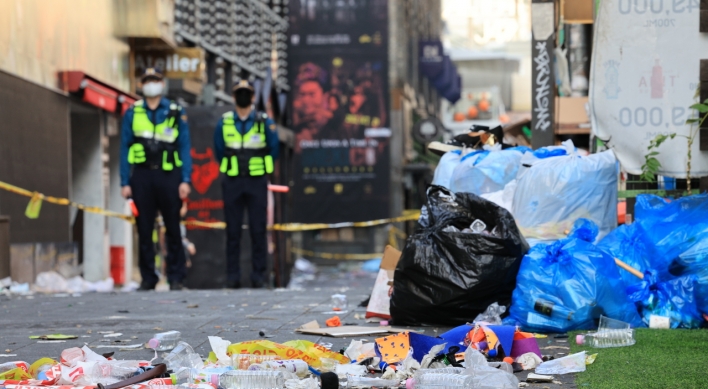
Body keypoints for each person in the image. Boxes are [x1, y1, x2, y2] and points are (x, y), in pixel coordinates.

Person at [120, 68, 192, 291]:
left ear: (162, 84)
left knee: (173, 228)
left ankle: (176, 277)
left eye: (155, 80)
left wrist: (185, 180)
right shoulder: (133, 113)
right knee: (144, 229)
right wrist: (124, 182)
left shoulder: (175, 111)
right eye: (147, 80)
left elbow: (184, 147)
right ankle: (148, 277)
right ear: (142, 85)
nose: (151, 84)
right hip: (142, 176)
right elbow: (124, 148)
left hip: (169, 176)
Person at [214, 80, 279, 289]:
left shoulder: (263, 121)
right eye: (239, 93)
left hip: (256, 181)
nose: (243, 96)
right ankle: (233, 277)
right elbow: (218, 149)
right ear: (234, 97)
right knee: (232, 231)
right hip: (232, 181)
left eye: (247, 93)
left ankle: (258, 276)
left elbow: (274, 147)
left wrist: (262, 168)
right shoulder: (224, 122)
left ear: (252, 97)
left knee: (258, 230)